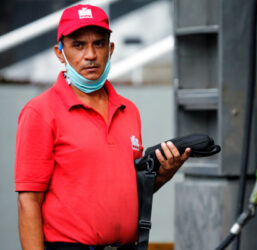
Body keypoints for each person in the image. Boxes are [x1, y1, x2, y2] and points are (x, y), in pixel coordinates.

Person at [15, 4, 190, 250]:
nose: (90, 55)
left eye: (99, 43)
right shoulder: (40, 112)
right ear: (59, 52)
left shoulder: (129, 110)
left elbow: (127, 192)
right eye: (78, 45)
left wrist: (162, 176)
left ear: (111, 49)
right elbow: (28, 202)